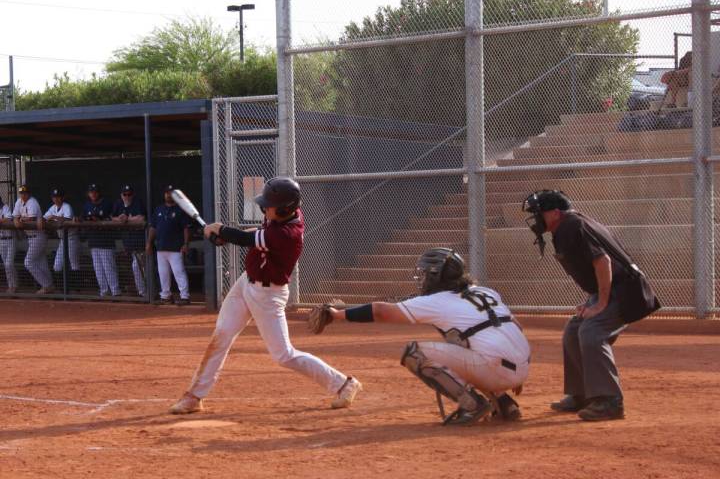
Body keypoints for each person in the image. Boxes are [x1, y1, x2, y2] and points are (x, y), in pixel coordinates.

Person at [169, 177, 362, 414]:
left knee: (283, 355)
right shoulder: (282, 215)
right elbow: (257, 233)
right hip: (245, 283)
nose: (264, 208)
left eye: (269, 205)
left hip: (268, 295)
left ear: (284, 208)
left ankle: (344, 384)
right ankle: (194, 396)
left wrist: (221, 231)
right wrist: (223, 234)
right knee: (221, 335)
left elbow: (250, 240)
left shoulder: (289, 233)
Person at [316, 248, 529, 426]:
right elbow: (516, 326)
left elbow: (381, 311)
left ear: (437, 276)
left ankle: (471, 404)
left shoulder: (438, 300)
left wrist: (336, 315)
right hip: (520, 365)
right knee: (467, 343)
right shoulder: (485, 292)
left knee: (415, 353)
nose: (422, 277)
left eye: (426, 273)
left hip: (495, 369)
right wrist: (515, 368)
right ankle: (503, 401)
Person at [522, 190, 660, 421]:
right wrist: (593, 300)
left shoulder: (571, 226)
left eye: (539, 213)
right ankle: (582, 395)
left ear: (555, 213)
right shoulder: (568, 225)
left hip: (626, 291)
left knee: (592, 331)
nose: (536, 218)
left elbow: (602, 261)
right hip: (615, 288)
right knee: (574, 330)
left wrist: (601, 303)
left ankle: (610, 401)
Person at [146, 185, 191, 305]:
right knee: (163, 273)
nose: (168, 195)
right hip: (161, 247)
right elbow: (153, 227)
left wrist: (186, 244)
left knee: (178, 272)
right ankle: (166, 296)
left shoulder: (180, 210)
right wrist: (149, 243)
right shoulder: (159, 209)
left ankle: (185, 296)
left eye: (171, 193)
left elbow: (186, 229)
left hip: (176, 247)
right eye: (167, 193)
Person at [13, 185, 53, 294]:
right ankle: (51, 287)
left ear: (29, 193)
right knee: (41, 263)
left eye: (25, 193)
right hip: (31, 238)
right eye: (21, 193)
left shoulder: (32, 202)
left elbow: (32, 218)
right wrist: (17, 219)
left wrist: (20, 219)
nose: (23, 195)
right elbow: (15, 217)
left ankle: (47, 285)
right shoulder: (19, 202)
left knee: (28, 262)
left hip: (38, 236)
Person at [83, 184, 120, 297]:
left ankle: (115, 292)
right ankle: (104, 291)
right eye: (91, 192)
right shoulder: (87, 205)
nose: (93, 194)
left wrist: (100, 220)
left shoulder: (107, 203)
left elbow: (114, 217)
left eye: (95, 192)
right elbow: (83, 218)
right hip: (93, 241)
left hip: (106, 241)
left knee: (109, 268)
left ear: (99, 193)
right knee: (98, 269)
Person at [112, 184, 146, 297]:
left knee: (140, 267)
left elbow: (142, 217)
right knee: (136, 267)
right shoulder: (118, 203)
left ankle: (147, 292)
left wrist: (128, 219)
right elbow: (112, 217)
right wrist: (120, 218)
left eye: (129, 194)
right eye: (124, 194)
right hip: (128, 243)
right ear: (121, 195)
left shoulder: (138, 203)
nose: (127, 196)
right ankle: (143, 291)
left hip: (141, 243)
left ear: (133, 195)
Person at [44, 188, 80, 274]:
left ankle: (77, 286)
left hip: (72, 239)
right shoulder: (53, 208)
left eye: (58, 197)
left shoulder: (67, 206)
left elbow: (68, 219)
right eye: (54, 197)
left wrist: (54, 217)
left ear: (63, 197)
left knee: (74, 264)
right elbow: (44, 218)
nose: (56, 199)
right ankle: (62, 286)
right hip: (63, 240)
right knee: (57, 266)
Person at [0, 194, 17, 294]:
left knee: (9, 263)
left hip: (10, 239)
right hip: (1, 240)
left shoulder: (5, 207)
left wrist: (1, 221)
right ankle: (11, 286)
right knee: (6, 265)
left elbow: (9, 218)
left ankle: (14, 286)